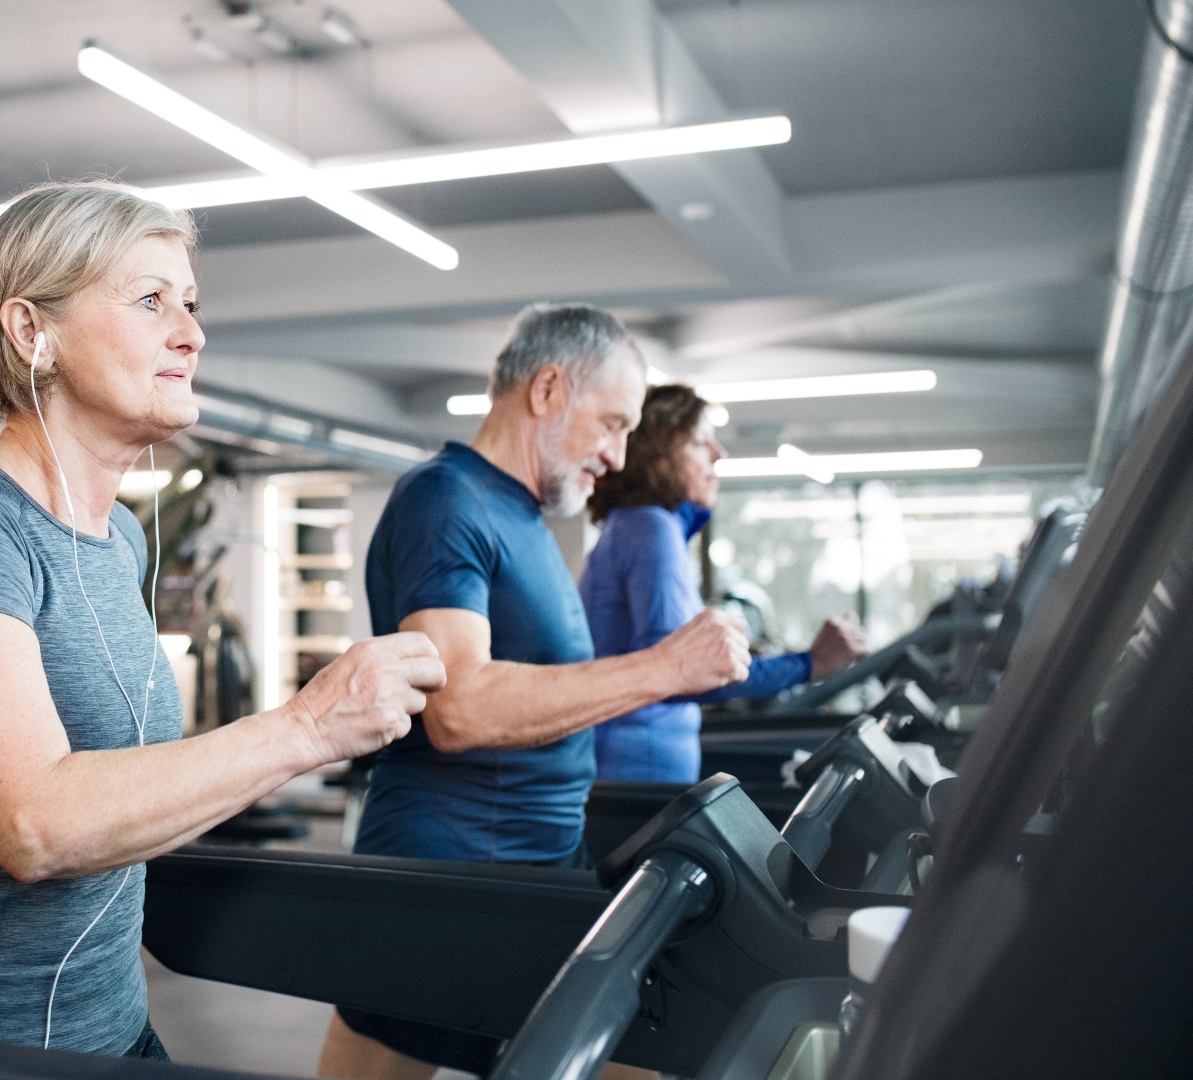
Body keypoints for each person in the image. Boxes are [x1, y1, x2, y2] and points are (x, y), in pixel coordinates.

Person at [0, 181, 446, 1058]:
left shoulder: (118, 542)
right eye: (151, 301)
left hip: (104, 1027)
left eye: (189, 303)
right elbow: (34, 825)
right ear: (32, 331)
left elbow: (129, 800)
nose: (191, 332)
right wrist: (310, 725)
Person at [316, 303, 754, 1080]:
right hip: (452, 882)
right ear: (548, 389)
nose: (618, 457)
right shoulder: (445, 498)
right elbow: (460, 708)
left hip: (539, 864)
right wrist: (665, 668)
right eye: (612, 424)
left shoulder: (521, 517)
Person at [580, 384, 870, 784]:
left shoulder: (636, 525)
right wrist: (809, 663)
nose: (719, 453)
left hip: (627, 760)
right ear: (659, 454)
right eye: (701, 443)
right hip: (637, 768)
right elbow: (683, 673)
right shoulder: (650, 528)